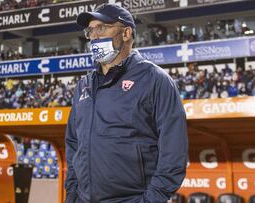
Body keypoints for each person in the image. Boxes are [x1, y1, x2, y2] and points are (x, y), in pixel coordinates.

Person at [65, 3, 188, 203]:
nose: (94, 35)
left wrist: (151, 200)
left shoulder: (154, 79)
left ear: (126, 33)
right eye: (90, 31)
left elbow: (174, 152)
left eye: (102, 28)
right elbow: (73, 144)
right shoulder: (83, 86)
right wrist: (72, 194)